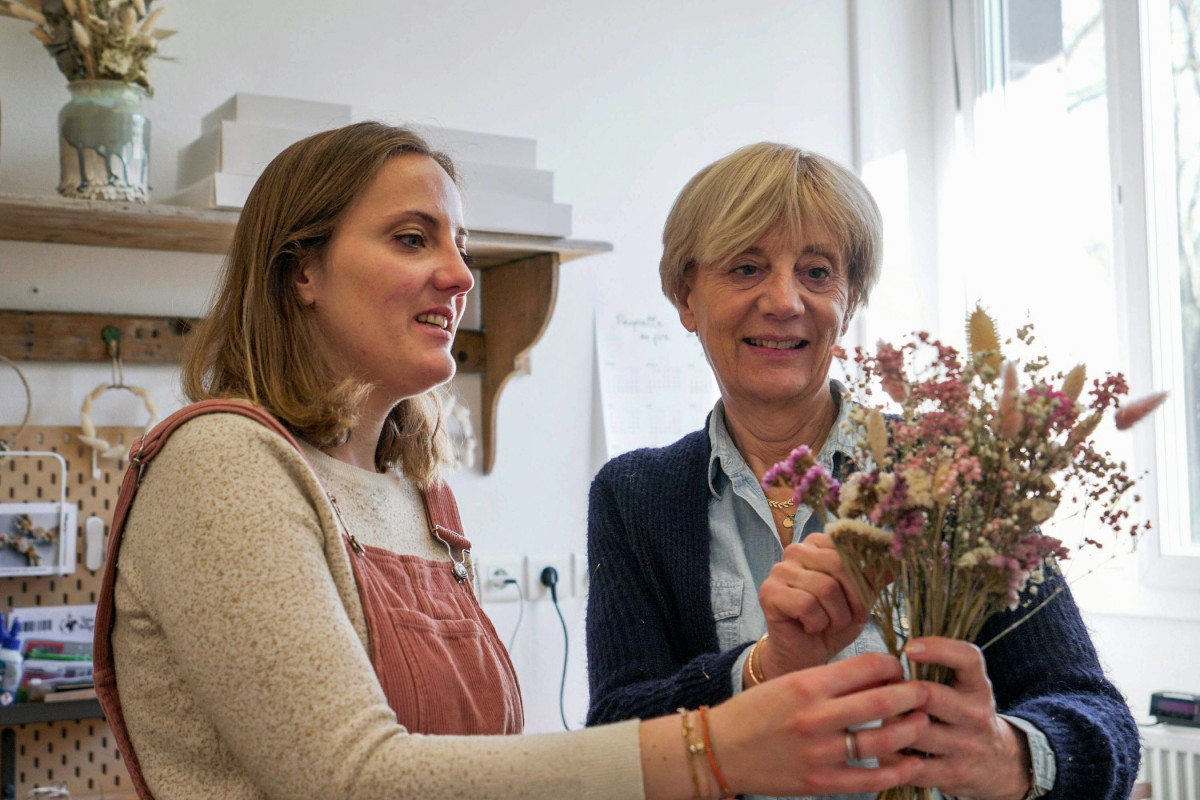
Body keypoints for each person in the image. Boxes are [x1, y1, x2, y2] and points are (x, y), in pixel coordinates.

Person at [93, 123, 941, 800]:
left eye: (460, 245)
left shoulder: (416, 495)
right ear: (302, 269)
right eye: (413, 238)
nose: (461, 274)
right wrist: (711, 746)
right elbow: (346, 778)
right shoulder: (223, 464)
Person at [585, 142, 1141, 800]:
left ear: (849, 302)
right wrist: (759, 671)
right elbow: (615, 743)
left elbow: (1103, 723)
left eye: (817, 272)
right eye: (745, 268)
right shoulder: (634, 498)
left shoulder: (956, 477)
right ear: (686, 296)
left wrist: (1003, 754)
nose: (785, 299)